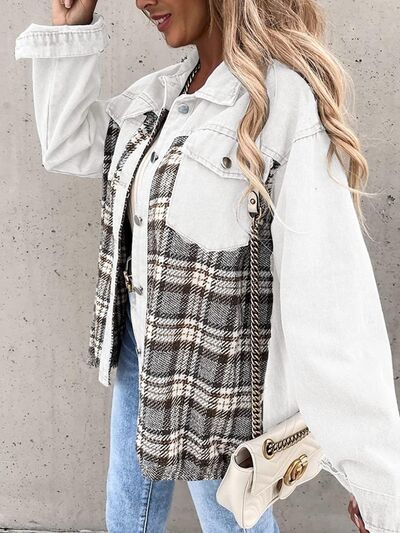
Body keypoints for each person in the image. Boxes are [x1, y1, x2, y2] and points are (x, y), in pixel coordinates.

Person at [14, 0, 400, 532]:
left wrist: (379, 487)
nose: (142, 2)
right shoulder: (165, 95)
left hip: (214, 389)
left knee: (229, 523)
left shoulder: (282, 103)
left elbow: (331, 306)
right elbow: (67, 146)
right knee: (125, 520)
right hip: (138, 353)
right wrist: (71, 30)